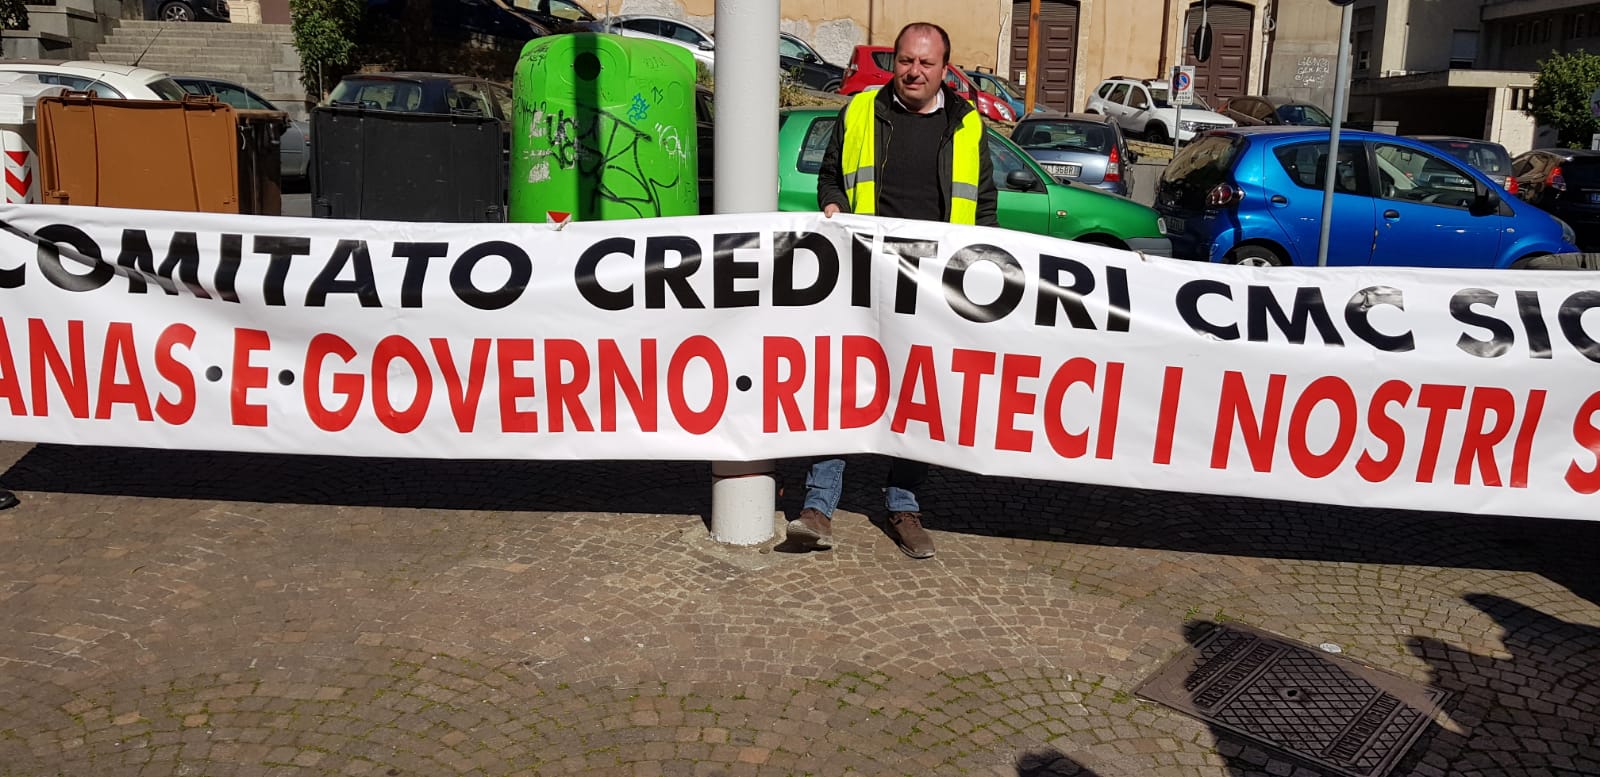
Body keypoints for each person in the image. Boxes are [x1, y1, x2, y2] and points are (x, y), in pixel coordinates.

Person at [786, 21, 998, 559]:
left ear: (945, 70)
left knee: (917, 395)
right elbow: (830, 177)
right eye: (906, 60)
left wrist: (981, 271)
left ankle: (904, 506)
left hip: (934, 284)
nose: (915, 72)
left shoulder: (968, 124)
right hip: (863, 275)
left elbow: (986, 203)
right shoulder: (860, 111)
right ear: (894, 61)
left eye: (927, 63)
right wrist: (833, 205)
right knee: (844, 385)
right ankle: (818, 507)